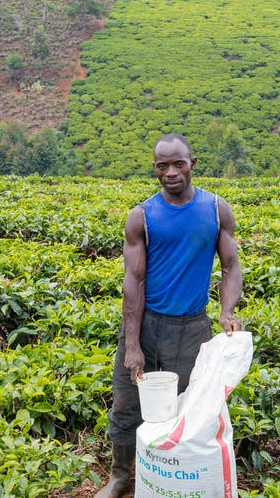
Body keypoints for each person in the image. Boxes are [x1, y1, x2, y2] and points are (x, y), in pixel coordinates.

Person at [95, 133, 243, 498]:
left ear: (193, 163)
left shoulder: (215, 209)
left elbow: (231, 266)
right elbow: (134, 282)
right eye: (163, 166)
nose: (171, 172)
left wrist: (226, 311)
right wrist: (132, 344)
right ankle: (120, 477)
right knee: (128, 405)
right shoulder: (141, 216)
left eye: (178, 164)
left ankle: (173, 478)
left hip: (192, 328)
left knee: (187, 406)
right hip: (146, 324)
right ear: (155, 169)